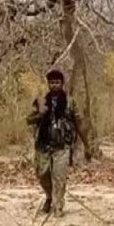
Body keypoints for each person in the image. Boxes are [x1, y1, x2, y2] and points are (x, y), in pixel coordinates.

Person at [26, 70, 85, 217]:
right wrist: (40, 114)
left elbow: (79, 123)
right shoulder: (41, 101)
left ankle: (58, 206)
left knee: (59, 177)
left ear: (62, 83)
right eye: (51, 83)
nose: (54, 85)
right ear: (48, 84)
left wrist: (87, 144)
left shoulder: (70, 102)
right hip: (43, 145)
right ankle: (49, 197)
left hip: (62, 146)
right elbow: (28, 120)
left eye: (57, 82)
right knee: (42, 174)